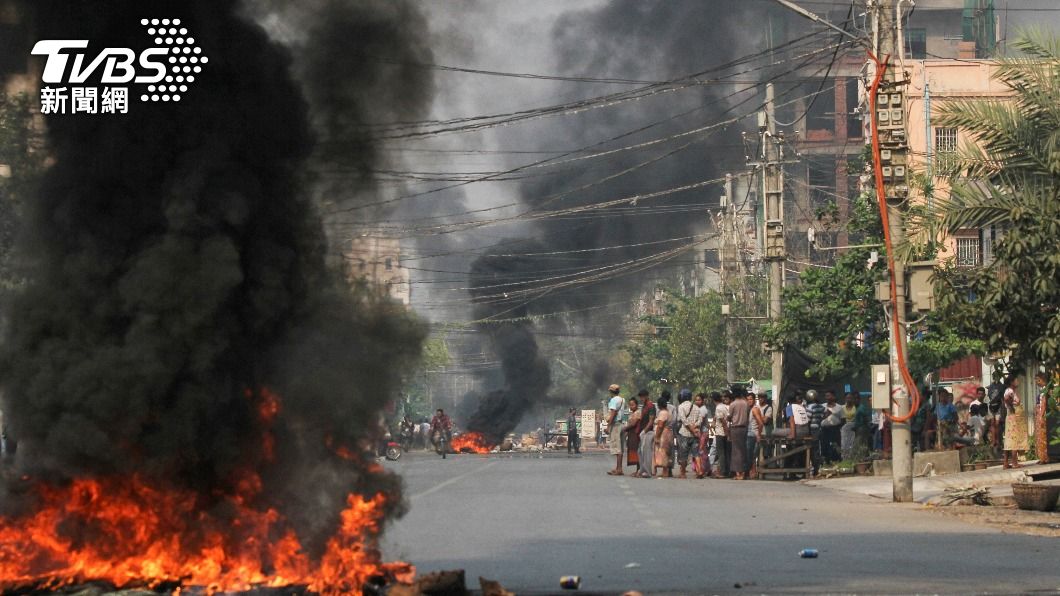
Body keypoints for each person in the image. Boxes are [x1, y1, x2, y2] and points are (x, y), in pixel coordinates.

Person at [1003, 376, 1029, 469]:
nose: (1017, 381)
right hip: (1013, 417)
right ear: (1011, 382)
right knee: (1014, 438)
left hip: (1013, 417)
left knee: (1009, 439)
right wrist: (1011, 406)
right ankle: (1014, 463)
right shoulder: (1009, 391)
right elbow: (1006, 399)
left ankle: (1006, 463)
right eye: (1016, 380)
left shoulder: (1010, 391)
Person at [675, 388, 701, 479]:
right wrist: (694, 428)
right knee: (696, 453)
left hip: (684, 434)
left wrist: (690, 429)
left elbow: (683, 420)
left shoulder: (681, 407)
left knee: (683, 454)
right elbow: (699, 421)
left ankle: (682, 473)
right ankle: (700, 471)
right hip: (695, 434)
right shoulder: (697, 407)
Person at [727, 388, 750, 480]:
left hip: (735, 428)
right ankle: (743, 472)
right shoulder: (746, 403)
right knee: (743, 450)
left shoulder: (733, 404)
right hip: (744, 428)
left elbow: (729, 417)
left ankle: (738, 473)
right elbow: (747, 415)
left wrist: (729, 418)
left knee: (736, 451)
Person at [636, 391, 657, 478]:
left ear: (647, 396)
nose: (641, 399)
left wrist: (644, 431)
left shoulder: (651, 406)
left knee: (646, 452)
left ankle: (647, 472)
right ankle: (642, 470)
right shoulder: (644, 406)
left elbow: (651, 421)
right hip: (643, 431)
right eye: (640, 397)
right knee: (640, 452)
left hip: (648, 432)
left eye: (643, 397)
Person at [805, 390, 826, 474]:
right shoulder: (821, 407)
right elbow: (824, 415)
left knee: (812, 449)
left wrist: (807, 431)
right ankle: (817, 467)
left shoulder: (809, 407)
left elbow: (808, 420)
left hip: (812, 430)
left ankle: (815, 468)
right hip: (820, 428)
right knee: (817, 448)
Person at [606, 384, 625, 476]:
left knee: (617, 448)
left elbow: (613, 413)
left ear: (611, 392)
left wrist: (608, 426)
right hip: (621, 424)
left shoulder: (613, 400)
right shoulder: (622, 399)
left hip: (616, 425)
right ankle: (618, 468)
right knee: (620, 447)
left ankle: (619, 469)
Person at [820, 390, 844, 463]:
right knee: (824, 444)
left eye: (829, 396)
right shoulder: (822, 406)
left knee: (836, 444)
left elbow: (843, 419)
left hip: (835, 429)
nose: (827, 398)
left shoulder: (839, 407)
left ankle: (836, 459)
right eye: (826, 396)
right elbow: (819, 418)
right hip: (824, 429)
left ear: (833, 397)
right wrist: (825, 415)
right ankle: (826, 460)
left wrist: (838, 427)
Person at [653, 394, 673, 477]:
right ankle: (664, 470)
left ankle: (663, 471)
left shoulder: (663, 413)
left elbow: (660, 425)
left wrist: (657, 437)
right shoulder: (668, 412)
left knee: (662, 451)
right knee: (666, 451)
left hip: (663, 434)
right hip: (668, 433)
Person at [712, 392, 730, 478]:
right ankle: (727, 470)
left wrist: (726, 432)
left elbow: (723, 421)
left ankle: (723, 472)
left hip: (720, 432)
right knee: (726, 452)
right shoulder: (725, 406)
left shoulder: (718, 408)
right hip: (725, 432)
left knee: (721, 453)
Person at [693, 393, 710, 478]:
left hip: (703, 432)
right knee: (702, 450)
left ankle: (702, 470)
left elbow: (700, 421)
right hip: (701, 432)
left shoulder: (703, 409)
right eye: (696, 400)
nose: (697, 401)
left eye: (699, 400)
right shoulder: (698, 409)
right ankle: (706, 469)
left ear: (702, 401)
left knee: (701, 451)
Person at [622, 397, 641, 471]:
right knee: (633, 450)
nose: (631, 406)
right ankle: (637, 469)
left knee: (636, 451)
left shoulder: (638, 412)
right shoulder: (632, 413)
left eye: (632, 405)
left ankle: (639, 469)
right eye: (630, 405)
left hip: (636, 434)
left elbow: (633, 424)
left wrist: (625, 429)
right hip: (631, 434)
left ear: (636, 405)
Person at [840, 392, 857, 457]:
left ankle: (852, 457)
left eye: (850, 398)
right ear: (845, 399)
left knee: (852, 443)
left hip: (853, 427)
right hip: (844, 427)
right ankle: (844, 457)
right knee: (844, 443)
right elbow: (842, 419)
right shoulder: (842, 407)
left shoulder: (855, 407)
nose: (849, 399)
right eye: (847, 398)